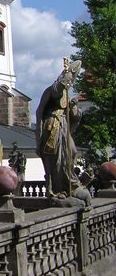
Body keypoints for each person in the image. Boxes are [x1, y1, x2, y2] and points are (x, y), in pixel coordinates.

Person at [35, 59, 91, 207]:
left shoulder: (66, 93)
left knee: (72, 152)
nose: (69, 83)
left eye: (71, 81)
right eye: (67, 81)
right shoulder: (51, 90)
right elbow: (40, 110)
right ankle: (58, 189)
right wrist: (38, 136)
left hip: (64, 127)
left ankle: (71, 184)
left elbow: (74, 117)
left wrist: (73, 108)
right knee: (57, 160)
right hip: (52, 128)